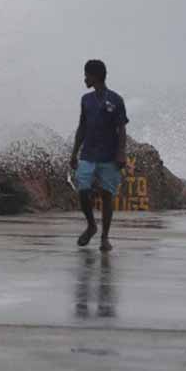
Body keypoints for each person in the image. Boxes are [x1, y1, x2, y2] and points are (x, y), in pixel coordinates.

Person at [69, 59, 128, 251]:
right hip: (88, 154)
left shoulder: (116, 100)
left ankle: (105, 237)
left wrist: (121, 154)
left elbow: (121, 129)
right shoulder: (86, 100)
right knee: (83, 188)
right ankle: (92, 225)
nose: (84, 79)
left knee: (107, 195)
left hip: (109, 156)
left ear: (94, 76)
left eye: (86, 75)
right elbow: (82, 127)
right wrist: (74, 152)